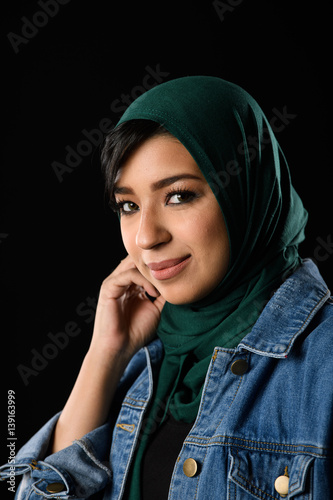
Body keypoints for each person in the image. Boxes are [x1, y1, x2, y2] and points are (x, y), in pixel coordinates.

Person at [1, 76, 332, 499]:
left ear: (248, 190)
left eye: (178, 196)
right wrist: (105, 353)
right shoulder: (143, 371)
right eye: (129, 206)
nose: (145, 237)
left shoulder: (324, 365)